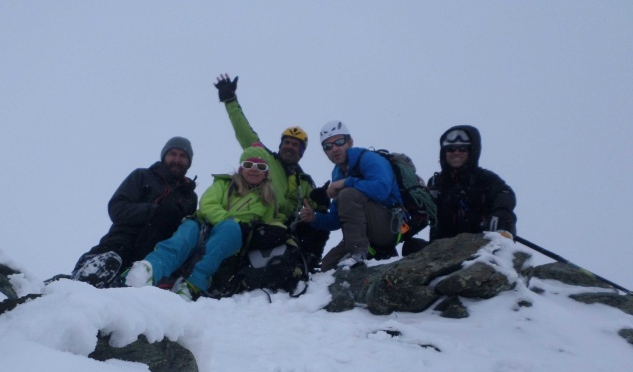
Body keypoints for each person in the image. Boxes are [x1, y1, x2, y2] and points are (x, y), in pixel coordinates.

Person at [125, 145, 285, 301]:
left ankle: (191, 284)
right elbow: (208, 203)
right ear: (241, 168)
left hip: (229, 236)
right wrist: (230, 220)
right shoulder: (224, 184)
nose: (254, 169)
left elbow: (268, 222)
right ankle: (149, 269)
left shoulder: (267, 201)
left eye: (260, 166)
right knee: (181, 241)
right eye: (249, 164)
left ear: (266, 172)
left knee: (225, 236)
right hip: (202, 223)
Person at [214, 74, 329, 269]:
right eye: (287, 143)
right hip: (261, 221)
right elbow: (244, 131)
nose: (290, 147)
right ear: (280, 145)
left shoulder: (305, 181)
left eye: (296, 145)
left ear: (301, 152)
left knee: (318, 227)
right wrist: (230, 100)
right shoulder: (264, 159)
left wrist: (323, 200)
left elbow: (315, 208)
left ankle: (307, 265)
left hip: (288, 228)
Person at [70, 137, 198, 288]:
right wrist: (154, 211)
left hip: (154, 251)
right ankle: (82, 279)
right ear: (164, 156)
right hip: (124, 239)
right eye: (173, 154)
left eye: (183, 156)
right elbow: (117, 208)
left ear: (189, 162)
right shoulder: (142, 176)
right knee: (109, 260)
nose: (177, 159)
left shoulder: (189, 197)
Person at [299, 121, 404, 271]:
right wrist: (314, 218)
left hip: (390, 227)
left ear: (350, 142)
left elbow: (381, 190)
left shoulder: (369, 159)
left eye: (339, 142)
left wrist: (346, 182)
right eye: (328, 146)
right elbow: (338, 218)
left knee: (348, 194)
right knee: (328, 266)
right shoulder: (337, 173)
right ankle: (358, 251)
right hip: (363, 234)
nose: (334, 149)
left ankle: (357, 253)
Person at [428, 125, 516, 241]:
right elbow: (423, 211)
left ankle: (500, 247)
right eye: (451, 149)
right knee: (411, 246)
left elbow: (505, 193)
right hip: (441, 248)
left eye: (463, 149)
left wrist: (501, 212)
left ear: (472, 152)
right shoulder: (436, 183)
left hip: (480, 244)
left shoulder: (485, 178)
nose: (456, 153)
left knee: (504, 217)